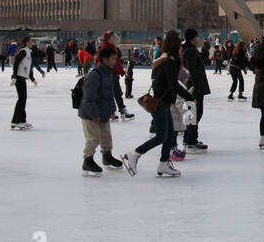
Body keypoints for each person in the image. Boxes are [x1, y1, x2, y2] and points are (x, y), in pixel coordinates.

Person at [124, 32, 190, 178]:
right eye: (179, 46)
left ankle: (164, 163)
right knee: (161, 136)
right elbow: (173, 85)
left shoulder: (165, 60)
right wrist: (190, 97)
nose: (181, 49)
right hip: (161, 103)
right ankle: (134, 154)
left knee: (168, 135)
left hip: (163, 102)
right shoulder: (169, 62)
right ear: (174, 47)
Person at [78, 45, 124, 176]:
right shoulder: (95, 75)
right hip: (90, 113)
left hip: (103, 111)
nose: (115, 61)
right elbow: (89, 97)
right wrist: (94, 114)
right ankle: (87, 161)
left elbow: (110, 95)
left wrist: (112, 109)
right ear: (104, 60)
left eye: (116, 59)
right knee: (93, 138)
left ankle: (107, 156)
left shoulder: (108, 73)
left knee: (106, 137)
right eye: (112, 59)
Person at [180, 28, 210, 153]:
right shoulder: (190, 51)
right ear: (193, 38)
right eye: (197, 36)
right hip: (195, 88)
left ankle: (189, 138)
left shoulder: (188, 50)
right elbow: (192, 71)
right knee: (194, 113)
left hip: (194, 87)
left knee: (194, 113)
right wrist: (195, 89)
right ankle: (191, 140)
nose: (198, 38)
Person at [10, 35, 36, 130]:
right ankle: (16, 121)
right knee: (21, 99)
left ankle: (22, 120)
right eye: (31, 41)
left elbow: (28, 67)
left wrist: (32, 78)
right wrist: (14, 77)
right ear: (26, 42)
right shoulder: (23, 52)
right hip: (19, 78)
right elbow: (16, 64)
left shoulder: (28, 53)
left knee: (23, 99)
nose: (32, 43)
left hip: (23, 78)